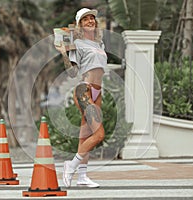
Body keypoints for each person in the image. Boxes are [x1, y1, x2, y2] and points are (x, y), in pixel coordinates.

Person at [55, 8, 107, 188]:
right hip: (84, 90)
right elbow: (72, 72)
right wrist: (63, 53)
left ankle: (82, 177)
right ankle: (71, 166)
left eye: (92, 18)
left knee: (86, 135)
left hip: (98, 92)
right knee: (99, 134)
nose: (91, 21)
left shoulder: (100, 45)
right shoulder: (76, 43)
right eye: (86, 19)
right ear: (79, 25)